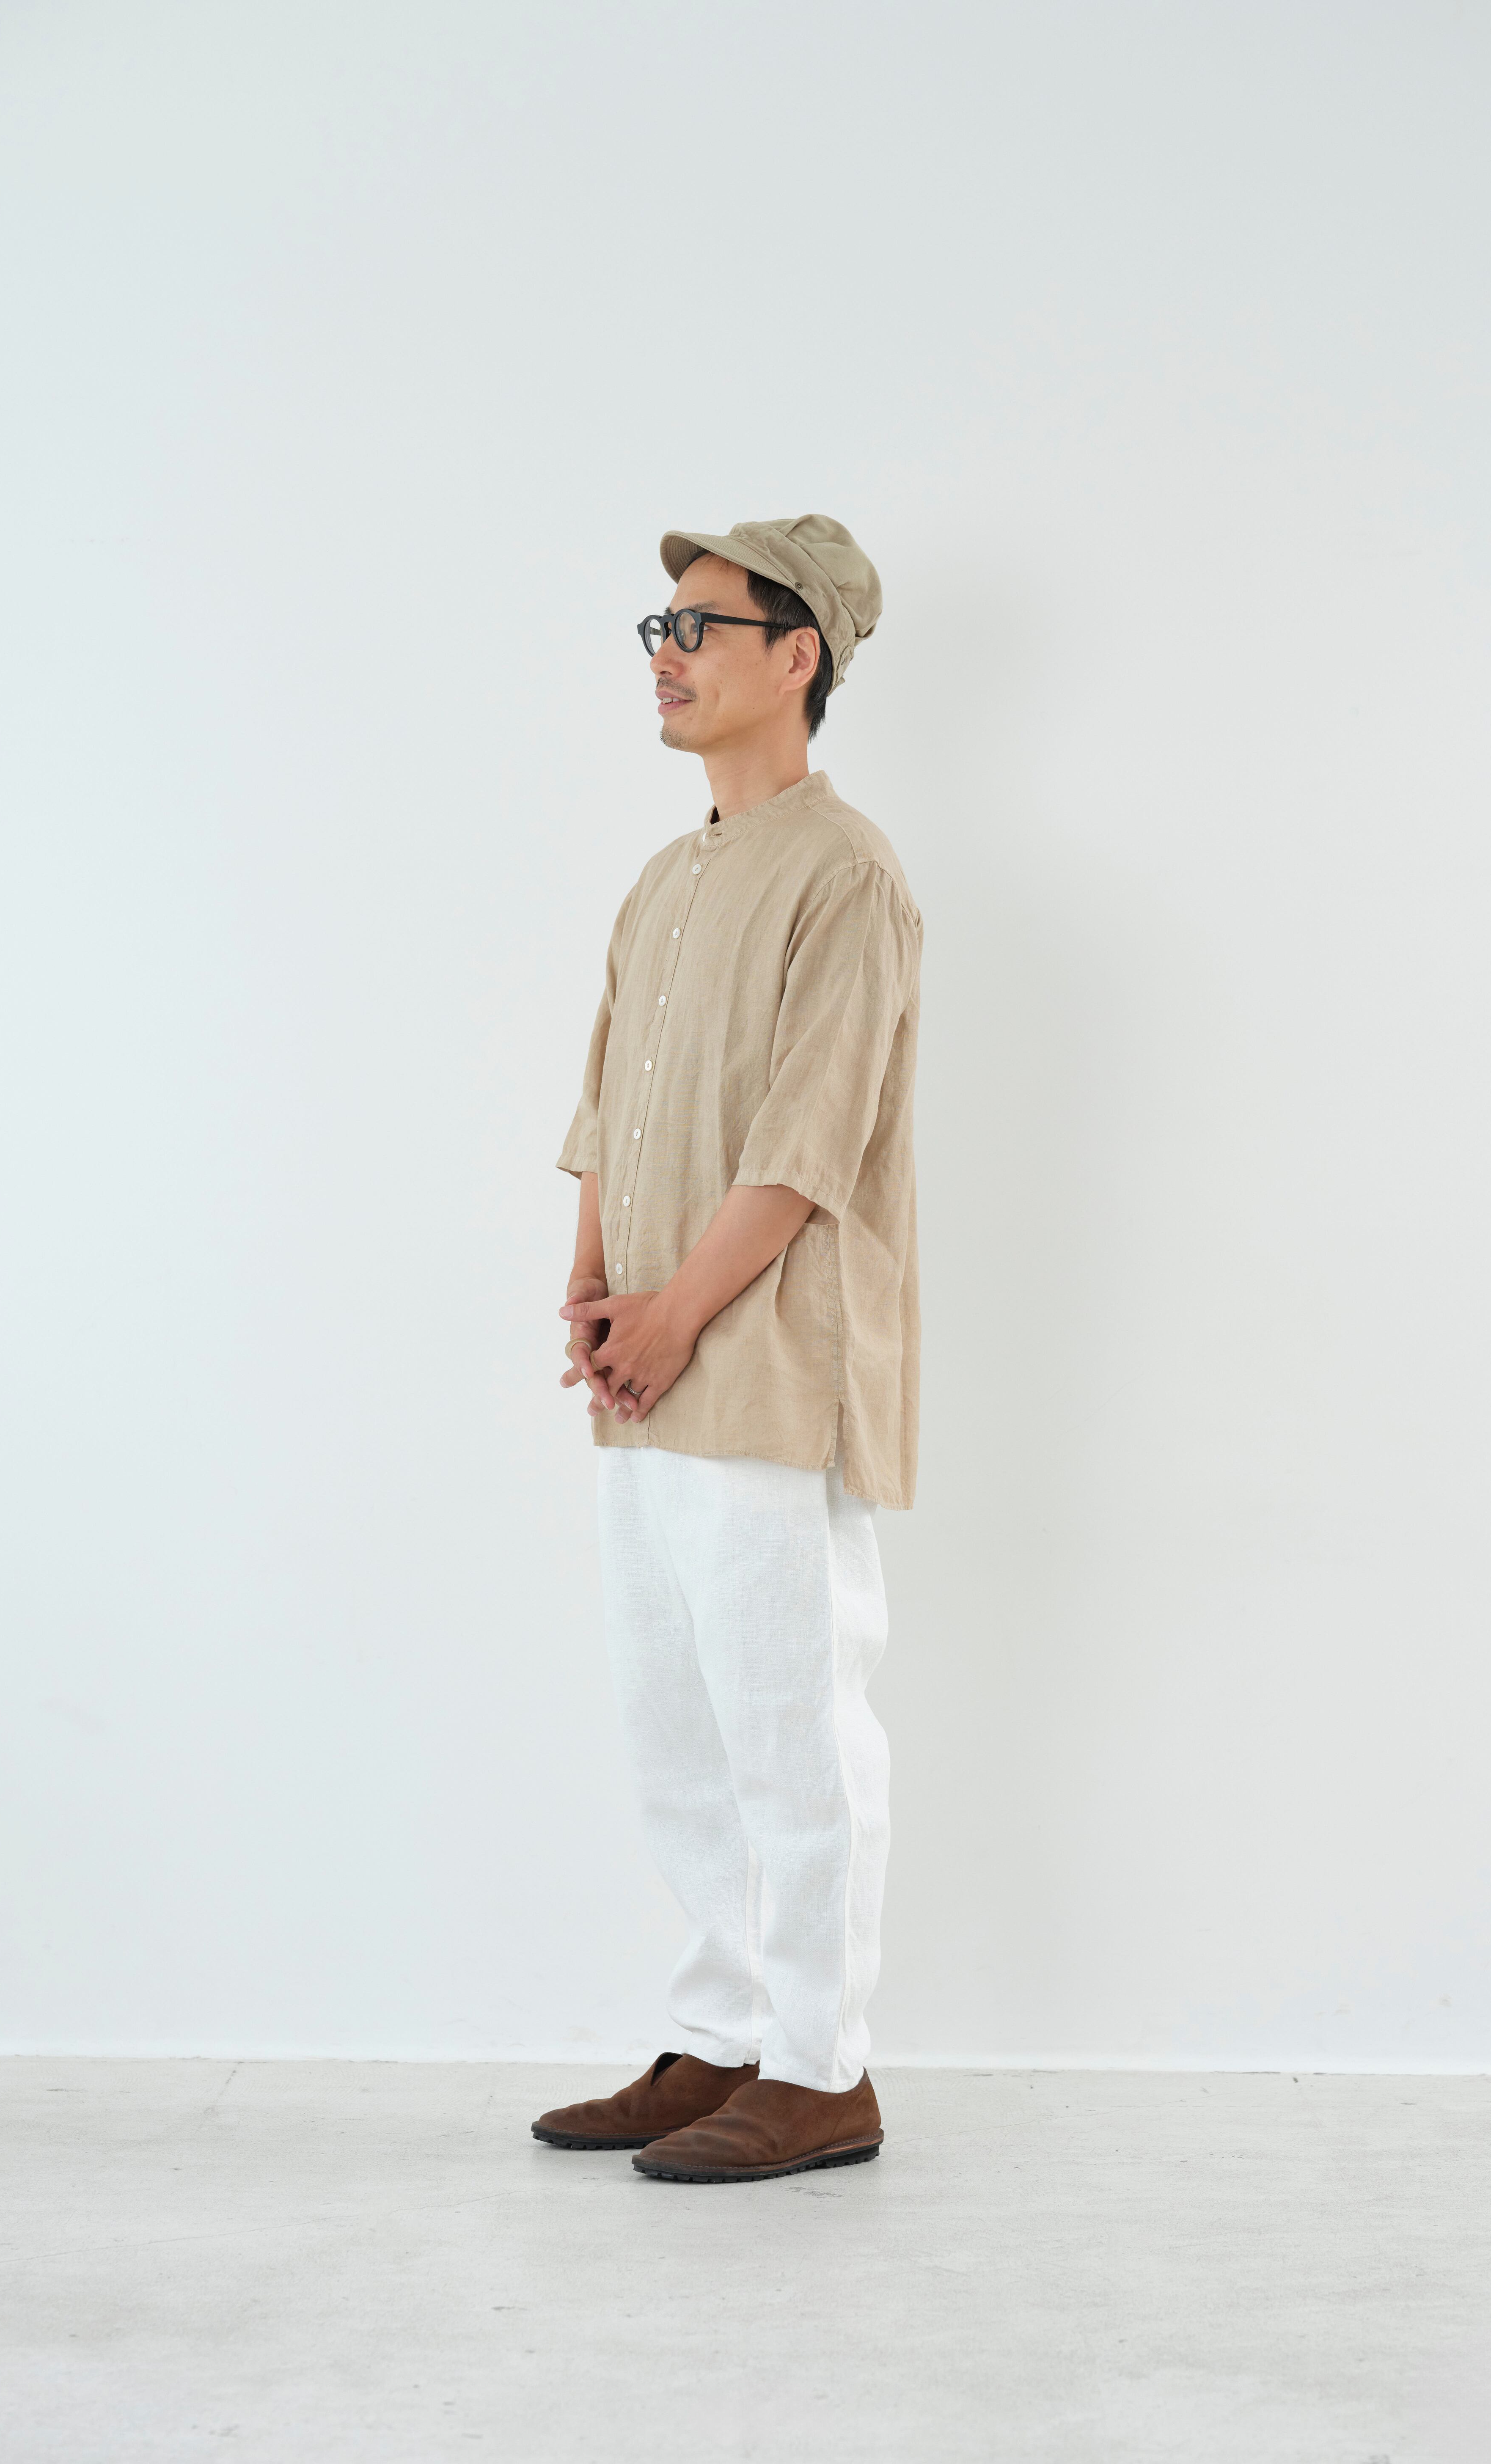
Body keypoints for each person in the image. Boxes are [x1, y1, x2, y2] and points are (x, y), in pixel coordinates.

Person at [534, 516, 922, 2186]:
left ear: (798, 654)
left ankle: (823, 2067)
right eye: (660, 627)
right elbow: (606, 1106)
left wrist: (677, 1309)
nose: (666, 655)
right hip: (650, 1363)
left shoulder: (847, 875)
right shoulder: (667, 877)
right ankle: (722, 2032)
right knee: (677, 1723)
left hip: (763, 1357)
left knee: (792, 1723)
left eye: (702, 625)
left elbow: (808, 1135)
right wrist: (596, 1288)